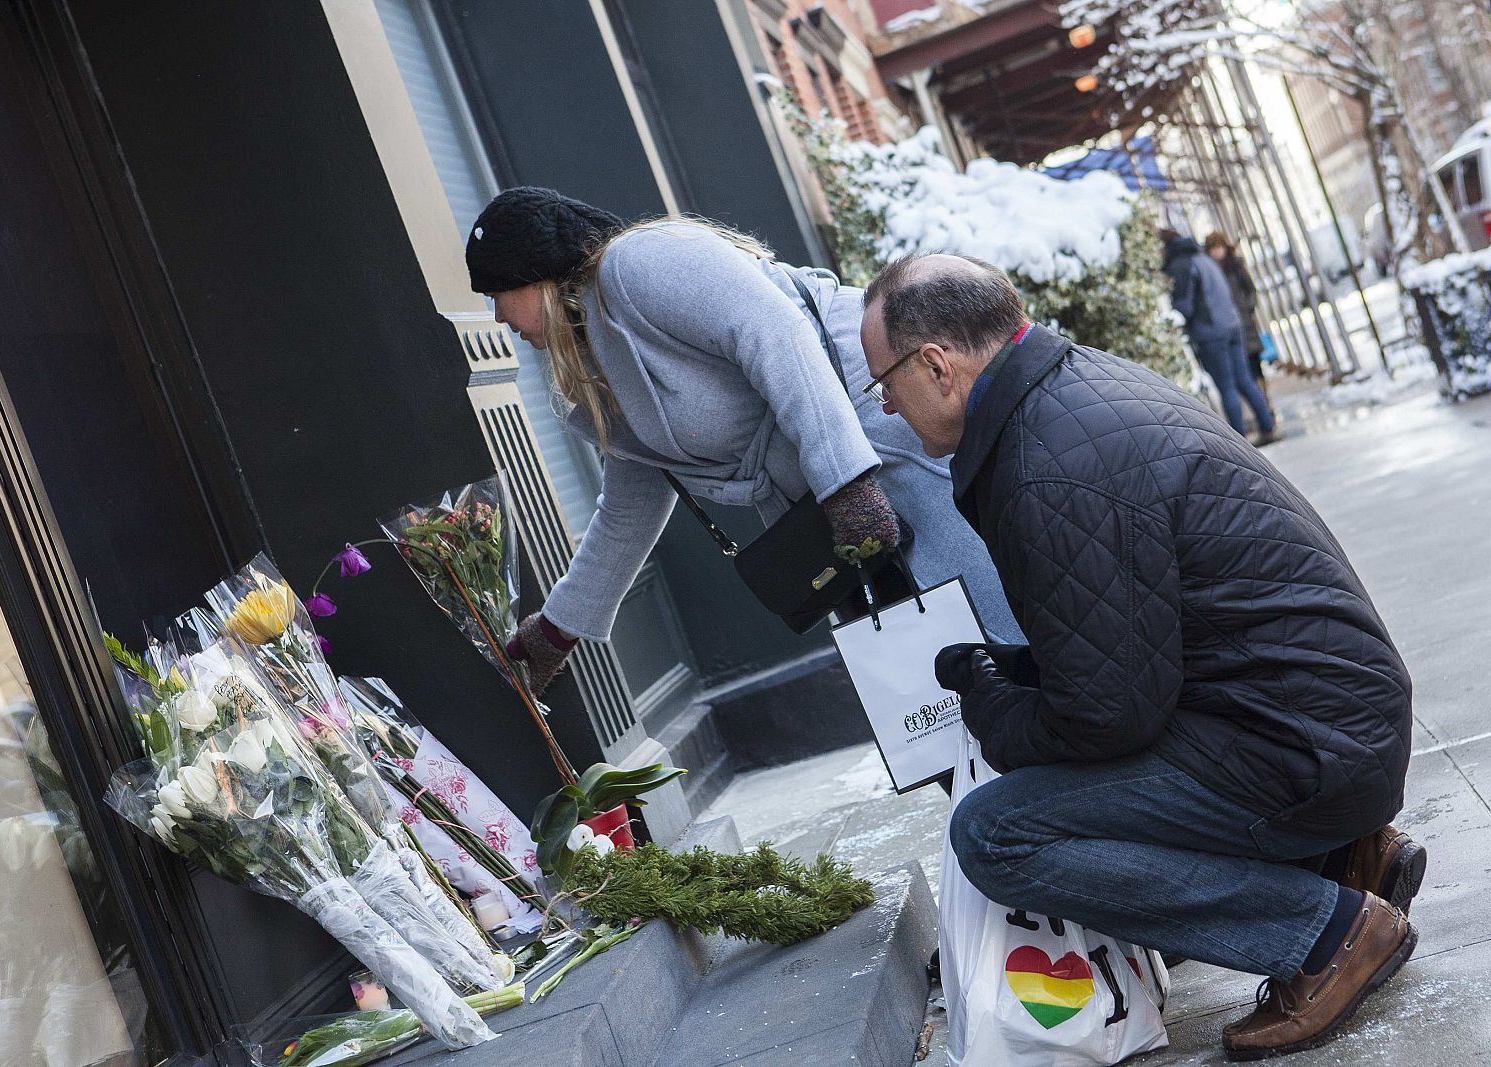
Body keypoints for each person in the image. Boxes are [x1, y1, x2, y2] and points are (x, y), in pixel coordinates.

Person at [860, 253, 1422, 1061]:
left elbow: (1105, 714)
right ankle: (1343, 854)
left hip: (1306, 747)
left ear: (937, 366)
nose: (883, 402)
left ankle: (1325, 932)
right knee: (1060, 786)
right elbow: (1126, 642)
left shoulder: (1045, 467)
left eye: (883, 380)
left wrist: (992, 707)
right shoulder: (1072, 390)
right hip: (1324, 721)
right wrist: (1014, 672)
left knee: (997, 832)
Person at [463, 187, 1021, 693]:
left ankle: (1080, 757)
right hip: (827, 494)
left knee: (998, 625)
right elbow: (630, 502)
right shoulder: (598, 355)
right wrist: (556, 631)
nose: (495, 315)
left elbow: (774, 331)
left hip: (873, 421)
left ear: (532, 274)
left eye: (496, 293)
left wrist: (847, 485)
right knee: (926, 685)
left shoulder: (636, 264)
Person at [1161, 228, 1278, 446]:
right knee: (1244, 380)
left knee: (1226, 387)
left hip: (1211, 331)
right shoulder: (1202, 258)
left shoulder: (1182, 265)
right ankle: (1267, 426)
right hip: (1232, 325)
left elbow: (1184, 305)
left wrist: (1173, 322)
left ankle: (1240, 445)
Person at [1205, 230, 1272, 408]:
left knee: (1255, 367)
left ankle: (1265, 402)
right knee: (1243, 371)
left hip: (1245, 322)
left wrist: (1247, 308)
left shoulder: (1235, 265)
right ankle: (1260, 405)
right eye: (1212, 248)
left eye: (1218, 247)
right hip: (1228, 324)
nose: (1216, 252)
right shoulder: (1210, 270)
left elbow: (1250, 289)